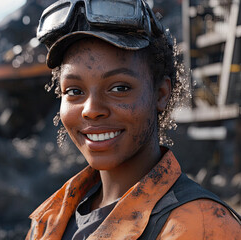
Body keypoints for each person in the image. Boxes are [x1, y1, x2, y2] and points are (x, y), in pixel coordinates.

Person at [26, 0, 241, 239]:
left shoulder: (201, 226)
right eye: (74, 91)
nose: (91, 110)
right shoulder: (49, 219)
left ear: (161, 94)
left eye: (119, 88)